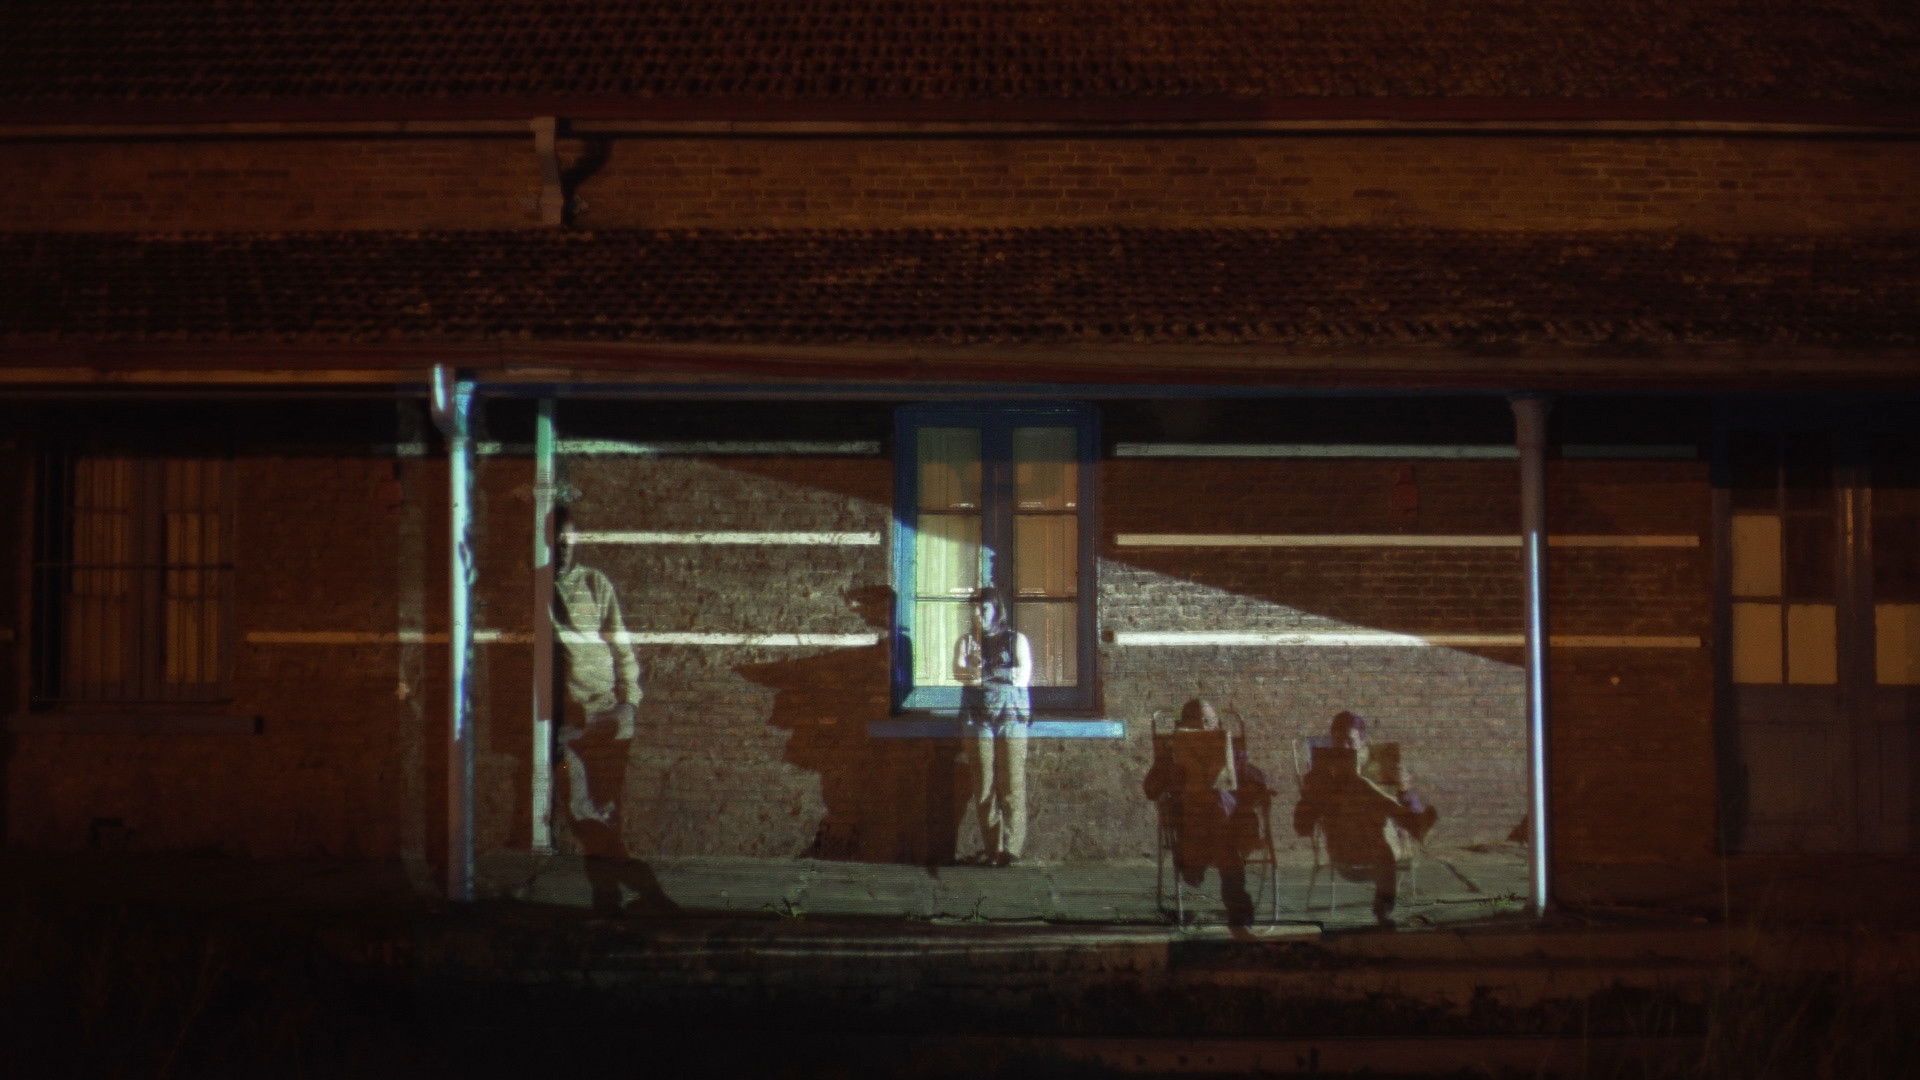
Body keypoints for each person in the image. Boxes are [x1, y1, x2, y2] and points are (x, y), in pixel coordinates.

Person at [1292, 710, 1437, 927]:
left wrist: (1404, 790)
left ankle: (1383, 911)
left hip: (1381, 849)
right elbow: (1301, 827)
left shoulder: (1382, 771)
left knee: (1361, 785)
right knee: (1359, 784)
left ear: (1362, 743)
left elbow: (1411, 804)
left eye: (1350, 742)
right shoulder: (1318, 776)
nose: (1344, 747)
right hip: (1344, 848)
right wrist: (1312, 794)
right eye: (1338, 741)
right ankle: (1414, 823)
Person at [552, 508, 644, 832]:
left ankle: (608, 816)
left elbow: (621, 644)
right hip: (566, 715)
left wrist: (629, 700)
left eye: (568, 540)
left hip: (604, 705)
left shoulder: (594, 583)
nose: (563, 548)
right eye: (556, 540)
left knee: (618, 755)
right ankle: (588, 824)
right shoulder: (537, 589)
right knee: (570, 777)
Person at [1143, 698, 1270, 932]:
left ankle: (1194, 866)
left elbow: (1258, 780)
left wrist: (1235, 772)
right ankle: (1239, 912)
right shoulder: (1170, 753)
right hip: (1197, 824)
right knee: (1224, 838)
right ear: (1181, 726)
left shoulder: (1231, 750)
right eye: (1194, 721)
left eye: (1209, 722)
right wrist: (1173, 766)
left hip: (1216, 828)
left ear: (1217, 725)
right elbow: (1151, 789)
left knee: (1219, 800)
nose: (1203, 726)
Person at [954, 586, 1033, 866]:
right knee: (984, 785)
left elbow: (1022, 676)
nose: (977, 614)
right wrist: (998, 673)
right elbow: (960, 673)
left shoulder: (1015, 640)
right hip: (977, 720)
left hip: (1012, 718)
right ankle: (993, 849)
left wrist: (980, 673)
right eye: (974, 609)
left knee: (1012, 783)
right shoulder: (966, 642)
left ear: (996, 609)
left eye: (983, 608)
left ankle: (1011, 849)